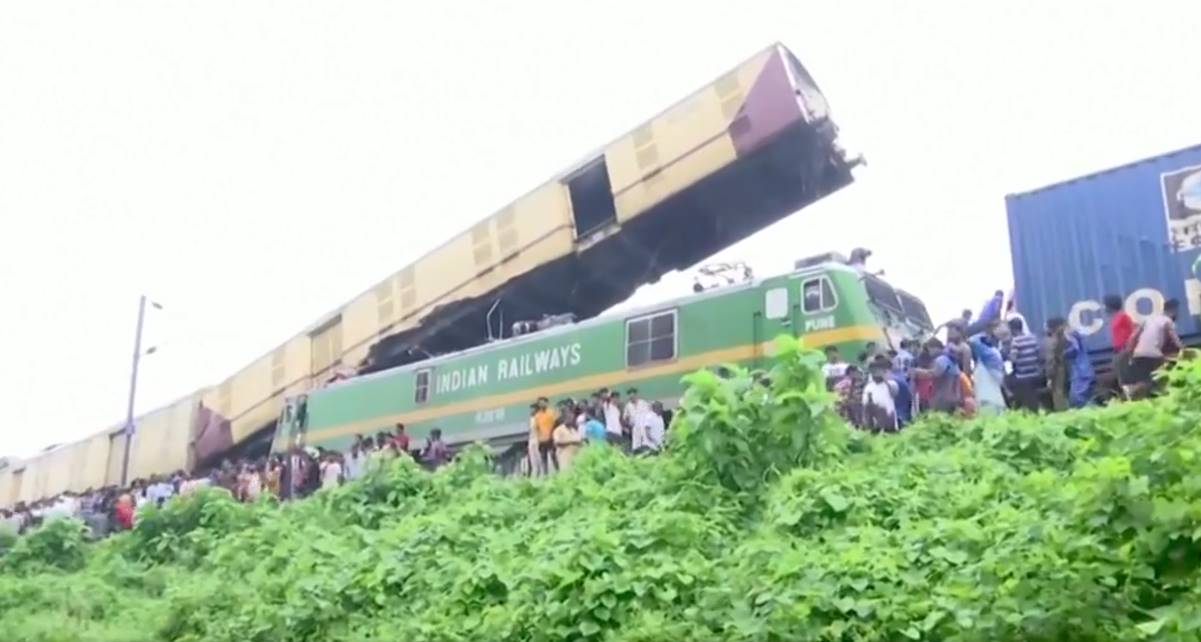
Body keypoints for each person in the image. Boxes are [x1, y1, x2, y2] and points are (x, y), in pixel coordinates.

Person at [1127, 298, 1183, 398]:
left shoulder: (1149, 319)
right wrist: (1184, 350)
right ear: (1173, 310)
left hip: (1138, 354)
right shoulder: (1167, 321)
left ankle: (1134, 390)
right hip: (1153, 355)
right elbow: (1175, 340)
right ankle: (1163, 397)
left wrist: (1130, 353)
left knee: (1147, 379)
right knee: (1163, 377)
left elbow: (1132, 337)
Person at [914, 337, 962, 414]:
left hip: (942, 398)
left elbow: (934, 374)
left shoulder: (941, 360)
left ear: (935, 347)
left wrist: (918, 371)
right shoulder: (951, 360)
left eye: (929, 349)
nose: (929, 352)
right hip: (954, 397)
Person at [1005, 317, 1043, 411]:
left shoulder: (1016, 341)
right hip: (1036, 374)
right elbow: (1039, 355)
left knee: (1008, 383)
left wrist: (1008, 356)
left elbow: (1013, 359)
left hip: (1022, 376)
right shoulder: (1033, 337)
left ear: (1012, 329)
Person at [969, 333, 1007, 416]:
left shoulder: (986, 353)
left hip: (986, 396)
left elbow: (972, 340)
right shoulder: (995, 352)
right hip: (995, 395)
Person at [861, 359, 899, 432]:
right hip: (874, 423)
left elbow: (894, 393)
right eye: (874, 371)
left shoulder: (891, 384)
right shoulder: (869, 387)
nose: (876, 374)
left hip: (889, 421)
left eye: (878, 371)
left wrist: (885, 378)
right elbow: (865, 406)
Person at [1044, 318, 1071, 411]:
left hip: (1057, 372)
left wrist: (1049, 377)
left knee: (1058, 395)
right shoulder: (1066, 340)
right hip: (1066, 369)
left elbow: (1050, 361)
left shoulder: (1052, 342)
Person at [533, 397, 558, 473]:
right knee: (544, 458)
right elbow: (536, 428)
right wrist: (538, 438)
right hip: (542, 440)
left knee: (553, 455)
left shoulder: (552, 412)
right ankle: (545, 473)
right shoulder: (537, 416)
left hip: (551, 438)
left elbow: (556, 423)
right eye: (540, 403)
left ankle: (558, 471)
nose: (541, 404)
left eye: (543, 402)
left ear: (547, 403)